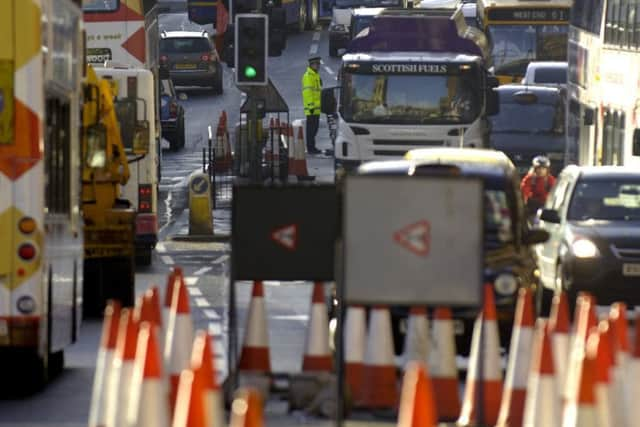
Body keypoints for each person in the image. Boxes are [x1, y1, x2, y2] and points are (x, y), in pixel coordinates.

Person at [302, 55, 323, 154]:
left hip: (316, 108)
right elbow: (307, 92)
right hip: (312, 108)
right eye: (317, 64)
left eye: (319, 64)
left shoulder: (315, 75)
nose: (318, 66)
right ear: (312, 65)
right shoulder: (308, 76)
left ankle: (312, 147)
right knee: (311, 130)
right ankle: (311, 148)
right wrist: (310, 106)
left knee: (314, 129)